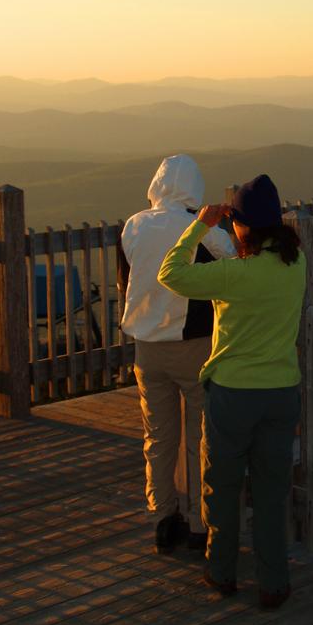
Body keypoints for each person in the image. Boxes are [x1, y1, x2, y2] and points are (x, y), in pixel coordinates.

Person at [157, 174, 306, 609]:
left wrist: (201, 226)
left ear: (242, 226)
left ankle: (221, 573)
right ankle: (274, 583)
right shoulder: (296, 263)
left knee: (221, 489)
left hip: (232, 396)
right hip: (281, 393)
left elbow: (172, 273)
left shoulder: (232, 275)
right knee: (271, 494)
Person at [117, 154, 235, 554]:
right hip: (194, 344)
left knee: (159, 435)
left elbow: (126, 279)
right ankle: (203, 523)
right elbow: (233, 263)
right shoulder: (197, 228)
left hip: (146, 348)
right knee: (202, 436)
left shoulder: (133, 226)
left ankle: (164, 515)